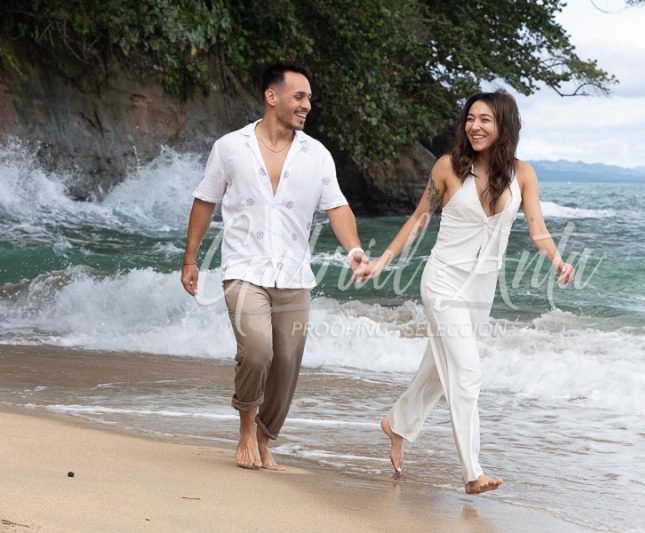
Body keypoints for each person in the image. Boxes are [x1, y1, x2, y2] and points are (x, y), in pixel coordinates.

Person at [359, 90, 575, 494]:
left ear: (504, 125)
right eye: (470, 119)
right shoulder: (447, 167)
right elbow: (419, 220)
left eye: (485, 120)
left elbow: (537, 229)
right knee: (467, 371)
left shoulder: (523, 174)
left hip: (481, 290)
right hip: (442, 281)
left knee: (438, 371)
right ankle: (472, 472)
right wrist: (382, 261)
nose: (474, 126)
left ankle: (397, 424)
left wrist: (558, 261)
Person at [180, 61, 368, 470]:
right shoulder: (230, 147)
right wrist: (191, 258)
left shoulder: (316, 155)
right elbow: (205, 201)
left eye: (309, 99)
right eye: (299, 97)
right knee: (258, 351)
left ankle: (266, 437)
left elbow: (337, 207)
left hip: (294, 273)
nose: (307, 106)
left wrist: (353, 249)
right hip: (243, 268)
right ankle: (246, 427)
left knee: (287, 360)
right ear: (272, 96)